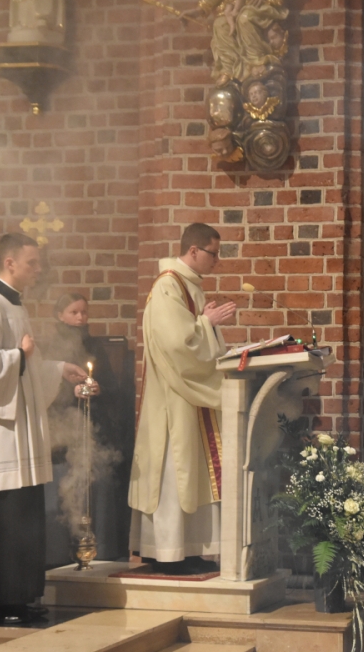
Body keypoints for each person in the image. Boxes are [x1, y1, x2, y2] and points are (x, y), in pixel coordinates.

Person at [0, 233, 87, 625]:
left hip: (16, 436)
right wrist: (19, 355)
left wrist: (58, 368)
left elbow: (29, 368)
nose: (38, 269)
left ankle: (18, 596)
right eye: (32, 262)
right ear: (9, 263)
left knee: (20, 516)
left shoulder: (16, 306)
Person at [128, 223, 236, 575]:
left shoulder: (187, 285)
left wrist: (207, 324)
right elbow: (178, 345)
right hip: (172, 400)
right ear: (193, 251)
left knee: (192, 469)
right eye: (213, 253)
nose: (216, 261)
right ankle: (168, 549)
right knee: (175, 468)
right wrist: (206, 323)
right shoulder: (167, 287)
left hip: (188, 397)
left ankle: (189, 548)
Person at [43, 294, 128, 564]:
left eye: (84, 312)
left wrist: (98, 389)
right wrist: (71, 391)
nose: (80, 317)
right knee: (63, 484)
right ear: (60, 315)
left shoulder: (94, 346)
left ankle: (100, 548)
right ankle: (59, 553)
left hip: (93, 427)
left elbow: (111, 385)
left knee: (98, 479)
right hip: (62, 431)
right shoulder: (50, 346)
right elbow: (45, 388)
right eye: (74, 312)